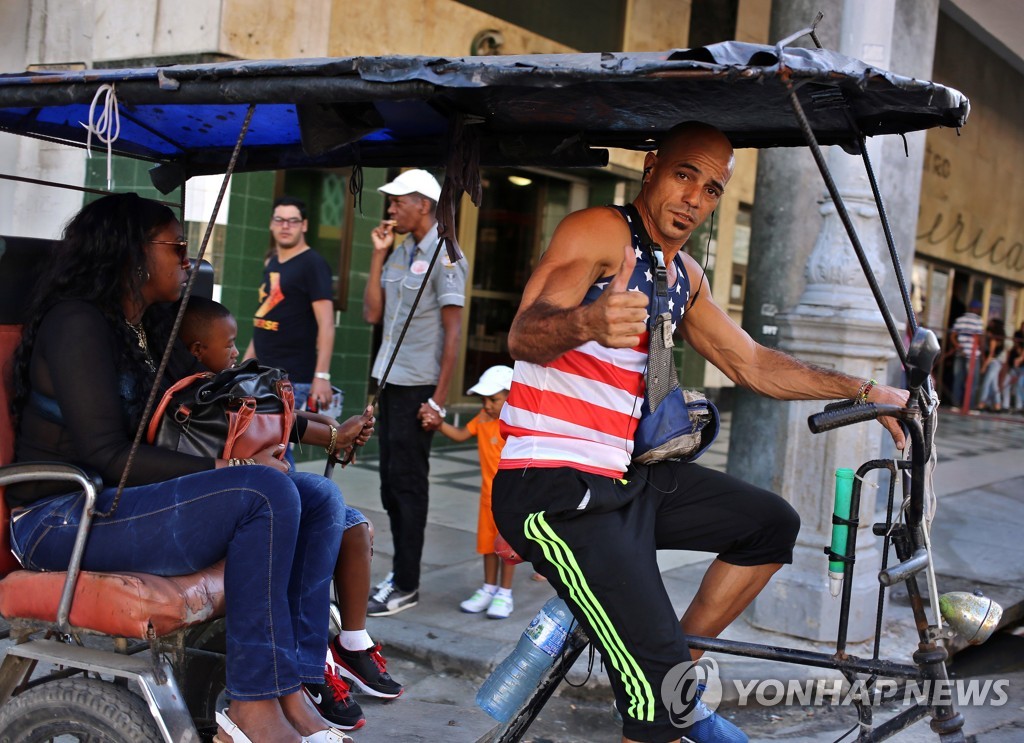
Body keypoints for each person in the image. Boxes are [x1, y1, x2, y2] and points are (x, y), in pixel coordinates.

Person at [491, 122, 909, 743]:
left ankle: (669, 661)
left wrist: (870, 392)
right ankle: (661, 682)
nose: (694, 198)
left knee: (769, 525)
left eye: (712, 188)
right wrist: (587, 320)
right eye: (685, 175)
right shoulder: (600, 232)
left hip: (628, 479)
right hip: (552, 486)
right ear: (651, 167)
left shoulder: (683, 275)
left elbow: (752, 364)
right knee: (660, 711)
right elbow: (523, 332)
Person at [8, 193, 364, 743]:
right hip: (61, 518)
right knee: (265, 493)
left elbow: (204, 410)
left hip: (118, 505)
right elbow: (105, 451)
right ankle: (251, 708)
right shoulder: (75, 322)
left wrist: (298, 429)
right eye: (176, 246)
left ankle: (292, 683)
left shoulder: (148, 328)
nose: (187, 259)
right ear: (131, 253)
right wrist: (233, 465)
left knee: (316, 497)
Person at [181, 297, 403, 730]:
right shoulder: (195, 390)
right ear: (195, 348)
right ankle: (308, 666)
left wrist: (337, 434)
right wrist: (245, 466)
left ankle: (347, 646)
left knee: (347, 521)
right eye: (227, 343)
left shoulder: (229, 380)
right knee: (317, 505)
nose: (236, 351)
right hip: (225, 500)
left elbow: (283, 417)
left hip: (262, 491)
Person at [363, 169, 469, 617]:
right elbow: (372, 313)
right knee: (390, 484)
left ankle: (407, 584)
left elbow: (453, 333)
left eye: (398, 201)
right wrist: (377, 255)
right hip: (389, 381)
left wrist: (438, 400)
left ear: (423, 204)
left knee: (408, 487)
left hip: (418, 390)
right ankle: (400, 575)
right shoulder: (401, 251)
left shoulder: (447, 257)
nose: (390, 209)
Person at [243, 196, 336, 464]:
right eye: (279, 220)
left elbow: (327, 324)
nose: (286, 226)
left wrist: (322, 375)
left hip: (293, 376)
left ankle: (289, 500)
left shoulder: (312, 263)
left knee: (280, 444)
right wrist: (246, 365)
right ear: (271, 224)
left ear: (304, 225)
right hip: (262, 372)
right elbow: (262, 320)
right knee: (261, 441)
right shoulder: (272, 262)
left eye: (293, 221)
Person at [422, 365, 516, 619]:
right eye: (484, 399)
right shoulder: (483, 419)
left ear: (512, 395)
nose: (487, 405)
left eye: (494, 399)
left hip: (511, 499)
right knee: (487, 545)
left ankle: (504, 594)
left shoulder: (517, 423)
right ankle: (488, 588)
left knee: (508, 548)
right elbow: (462, 434)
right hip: (488, 497)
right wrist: (439, 425)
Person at [949, 299, 984, 409]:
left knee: (958, 379)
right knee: (972, 381)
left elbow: (952, 336)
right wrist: (982, 353)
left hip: (960, 352)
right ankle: (969, 406)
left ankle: (955, 405)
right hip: (973, 355)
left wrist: (958, 346)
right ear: (977, 309)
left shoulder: (960, 320)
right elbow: (979, 339)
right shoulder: (978, 321)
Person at [977, 317, 1007, 412]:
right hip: (997, 362)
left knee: (986, 382)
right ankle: (997, 405)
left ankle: (982, 403)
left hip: (994, 363)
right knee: (994, 385)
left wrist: (984, 366)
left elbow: (991, 355)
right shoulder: (999, 339)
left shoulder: (993, 340)